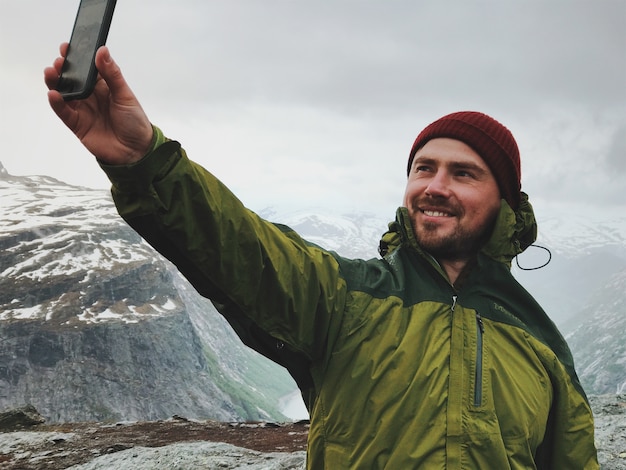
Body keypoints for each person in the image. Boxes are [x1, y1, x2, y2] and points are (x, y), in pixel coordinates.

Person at [45, 44, 599, 469]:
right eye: (423, 168)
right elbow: (239, 247)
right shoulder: (344, 297)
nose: (435, 185)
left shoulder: (540, 344)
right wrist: (145, 161)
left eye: (464, 173)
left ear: (504, 200)